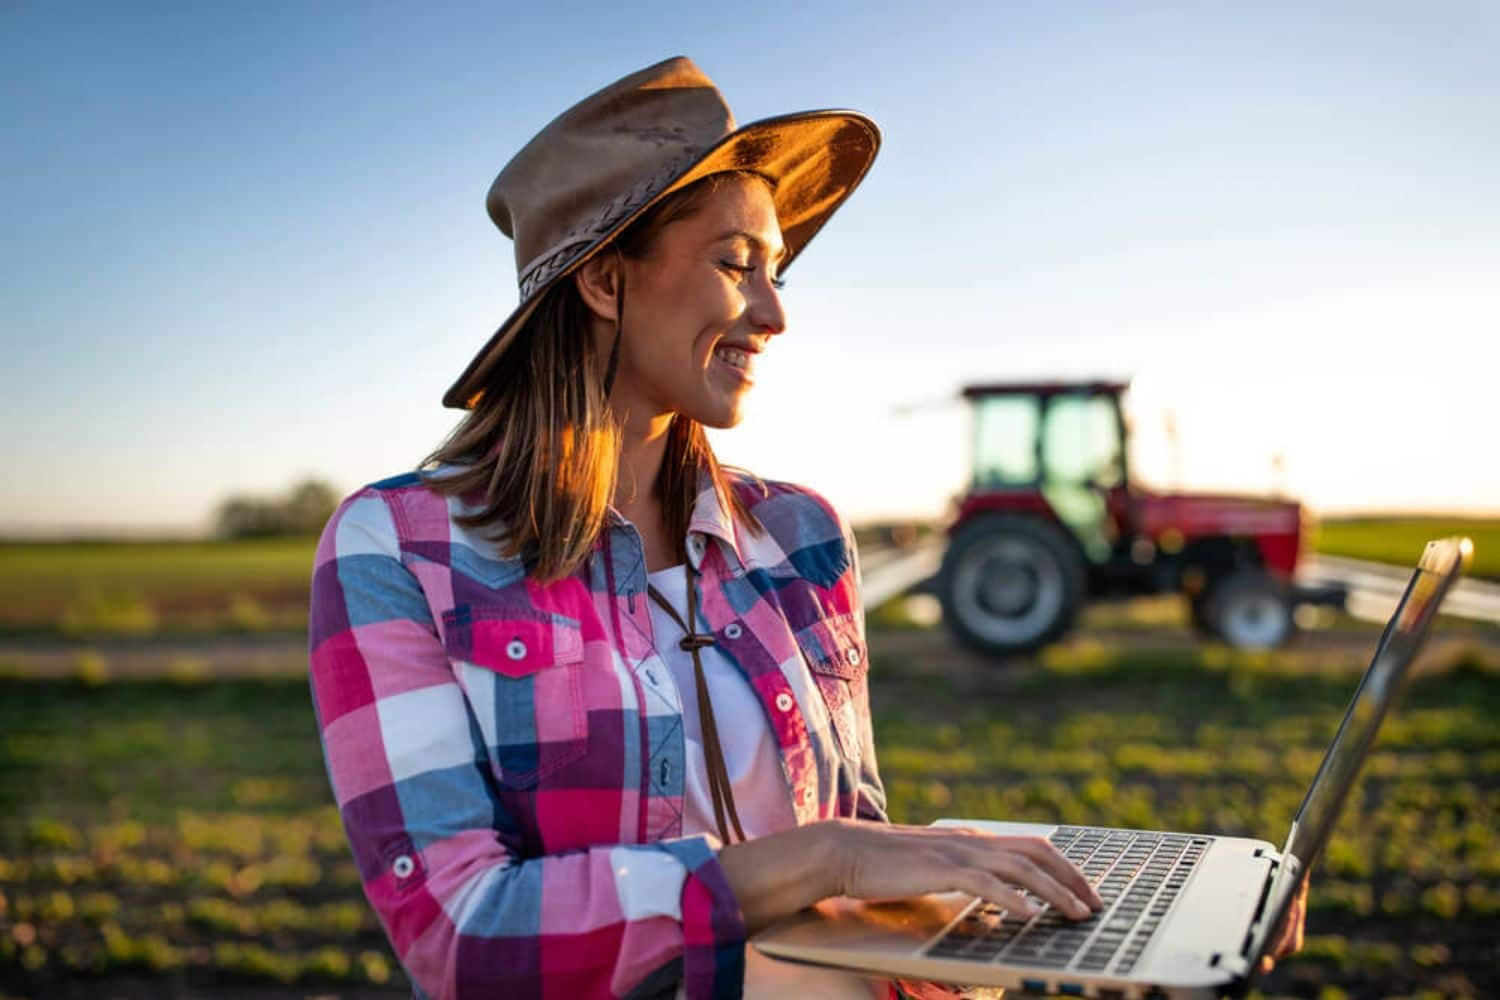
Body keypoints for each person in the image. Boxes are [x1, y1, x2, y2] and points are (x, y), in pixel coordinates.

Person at [309, 56, 1300, 1000]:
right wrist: (815, 858)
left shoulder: (802, 535)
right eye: (737, 262)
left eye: (778, 269)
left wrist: (1096, 933)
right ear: (605, 282)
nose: (774, 312)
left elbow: (861, 874)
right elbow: (463, 938)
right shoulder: (401, 549)